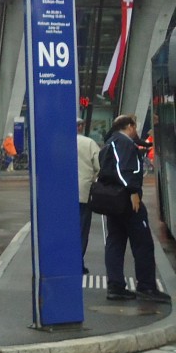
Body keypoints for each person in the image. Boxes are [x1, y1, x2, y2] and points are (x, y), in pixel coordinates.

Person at [98, 113, 171, 303]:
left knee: (115, 242)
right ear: (129, 126)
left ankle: (115, 287)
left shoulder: (109, 143)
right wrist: (132, 191)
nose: (136, 131)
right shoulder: (124, 143)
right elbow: (125, 170)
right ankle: (146, 287)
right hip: (127, 201)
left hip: (112, 201)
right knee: (143, 244)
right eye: (135, 127)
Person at [75, 118, 100, 275]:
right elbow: (99, 166)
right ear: (81, 127)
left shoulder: (60, 141)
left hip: (63, 195)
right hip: (84, 192)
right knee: (82, 229)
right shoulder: (89, 143)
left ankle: (65, 260)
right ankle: (78, 262)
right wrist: (93, 178)